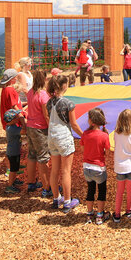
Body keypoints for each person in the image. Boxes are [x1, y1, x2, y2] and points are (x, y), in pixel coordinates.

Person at [46, 74, 83, 213]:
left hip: (52, 136)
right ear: (64, 86)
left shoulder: (49, 103)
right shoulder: (68, 103)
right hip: (63, 137)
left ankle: (56, 198)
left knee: (54, 170)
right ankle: (67, 201)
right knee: (66, 171)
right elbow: (73, 124)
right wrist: (84, 136)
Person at [25, 69, 52, 196]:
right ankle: (47, 188)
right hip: (40, 128)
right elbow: (46, 115)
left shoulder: (31, 92)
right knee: (43, 157)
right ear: (45, 79)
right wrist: (51, 129)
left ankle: (31, 182)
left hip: (30, 126)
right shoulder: (43, 95)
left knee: (32, 155)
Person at [81, 108, 110, 225]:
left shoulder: (85, 134)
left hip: (87, 167)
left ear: (91, 121)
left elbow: (83, 149)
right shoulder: (104, 135)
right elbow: (107, 152)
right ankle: (100, 215)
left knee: (90, 189)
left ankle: (89, 213)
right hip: (99, 167)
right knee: (102, 190)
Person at [0, 68, 26, 194]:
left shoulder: (5, 89)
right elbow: (15, 107)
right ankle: (10, 184)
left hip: (10, 123)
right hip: (14, 123)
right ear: (13, 79)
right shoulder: (11, 90)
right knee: (14, 160)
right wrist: (23, 121)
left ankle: (13, 180)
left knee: (15, 154)